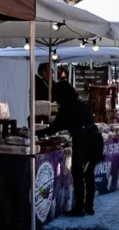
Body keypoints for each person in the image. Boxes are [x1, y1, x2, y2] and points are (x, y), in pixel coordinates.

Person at [44, 82, 104, 217]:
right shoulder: (81, 103)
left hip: (83, 141)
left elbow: (55, 127)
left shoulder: (66, 107)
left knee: (78, 175)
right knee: (89, 174)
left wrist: (38, 132)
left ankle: (79, 208)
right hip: (95, 138)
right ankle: (89, 206)